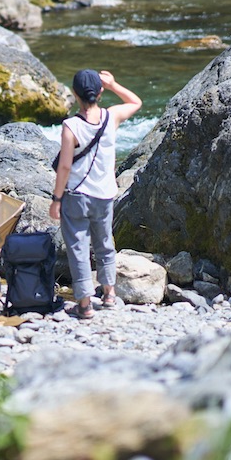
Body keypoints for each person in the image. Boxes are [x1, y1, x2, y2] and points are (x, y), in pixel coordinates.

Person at [49, 69, 142, 319]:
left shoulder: (71, 126)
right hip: (104, 195)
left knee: (78, 248)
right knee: (104, 243)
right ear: (99, 92)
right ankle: (110, 294)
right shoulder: (111, 117)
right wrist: (113, 84)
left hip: (76, 196)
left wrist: (56, 199)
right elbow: (136, 102)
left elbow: (65, 166)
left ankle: (85, 304)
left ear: (74, 94)